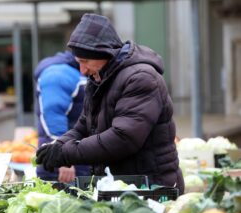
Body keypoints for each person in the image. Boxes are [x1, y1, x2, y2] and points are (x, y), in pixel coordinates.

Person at [36, 14, 185, 193]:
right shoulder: (99, 77)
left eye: (85, 61)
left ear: (105, 53)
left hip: (151, 187)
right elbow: (83, 126)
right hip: (120, 186)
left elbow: (123, 138)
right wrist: (58, 145)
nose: (82, 70)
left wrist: (66, 154)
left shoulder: (141, 78)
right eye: (78, 62)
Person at [34, 51, 90, 183]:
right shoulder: (58, 74)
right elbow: (52, 114)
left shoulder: (74, 72)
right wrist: (63, 159)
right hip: (62, 164)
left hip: (75, 157)